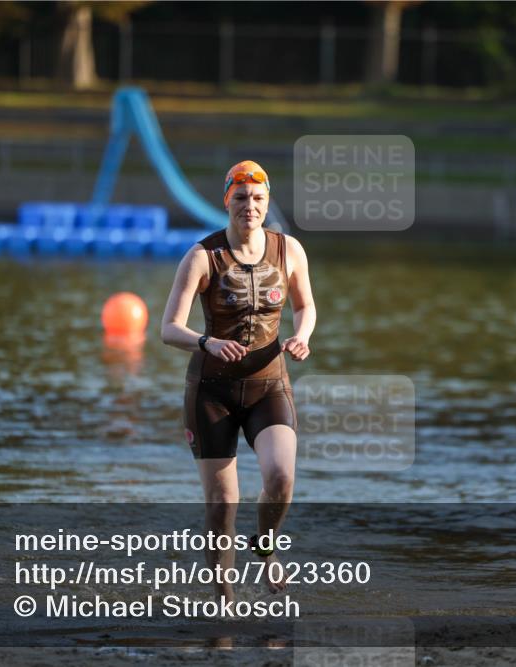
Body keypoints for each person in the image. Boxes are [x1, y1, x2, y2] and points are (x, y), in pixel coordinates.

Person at [160, 160, 316, 600]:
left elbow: (305, 306)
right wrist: (205, 342)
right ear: (227, 201)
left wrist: (301, 336)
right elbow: (168, 328)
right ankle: (223, 597)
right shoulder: (202, 256)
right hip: (212, 394)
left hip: (269, 385)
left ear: (268, 204)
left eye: (258, 199)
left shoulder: (289, 251)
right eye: (241, 198)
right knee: (221, 505)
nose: (250, 206)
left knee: (281, 476)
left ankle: (265, 548)